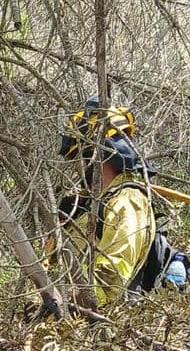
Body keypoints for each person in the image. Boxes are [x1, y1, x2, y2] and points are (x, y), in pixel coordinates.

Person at [57, 99, 160, 307]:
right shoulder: (89, 202)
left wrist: (63, 303)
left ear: (94, 154)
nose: (76, 167)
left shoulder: (128, 201)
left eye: (78, 156)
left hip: (93, 329)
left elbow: (111, 278)